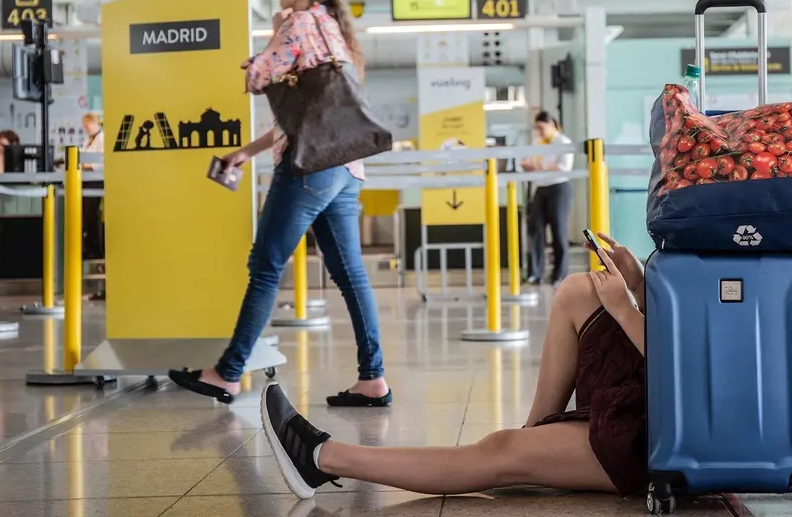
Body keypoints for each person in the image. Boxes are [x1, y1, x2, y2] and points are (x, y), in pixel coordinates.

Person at [261, 231, 645, 500]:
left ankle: (321, 458)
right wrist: (640, 285)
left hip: (660, 424)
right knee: (578, 290)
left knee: (500, 449)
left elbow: (682, 370)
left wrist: (627, 311)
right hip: (656, 377)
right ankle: (535, 444)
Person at [170, 0, 391, 407]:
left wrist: (275, 32)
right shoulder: (334, 28)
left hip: (310, 170)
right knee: (351, 275)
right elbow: (312, 115)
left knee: (266, 266)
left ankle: (227, 373)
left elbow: (256, 77)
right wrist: (247, 152)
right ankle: (373, 379)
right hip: (345, 167)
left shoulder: (299, 24)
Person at [522, 111, 575, 285]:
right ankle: (535, 273)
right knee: (535, 230)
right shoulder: (537, 142)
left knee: (558, 230)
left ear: (551, 124)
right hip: (541, 187)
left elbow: (564, 167)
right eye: (537, 128)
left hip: (559, 187)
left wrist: (542, 165)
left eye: (541, 127)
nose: (539, 131)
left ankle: (559, 274)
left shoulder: (563, 142)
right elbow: (530, 161)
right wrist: (529, 165)